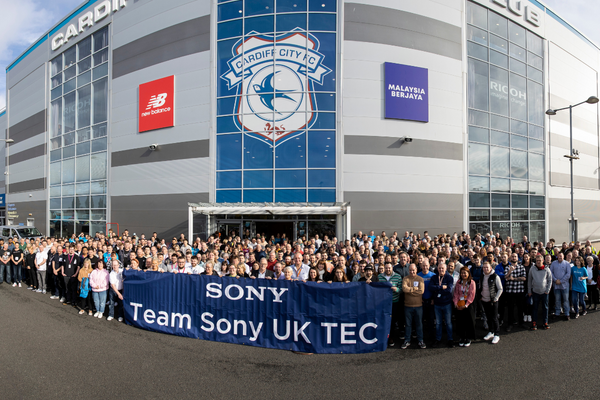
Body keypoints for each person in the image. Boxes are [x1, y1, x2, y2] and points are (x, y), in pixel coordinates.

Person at [429, 262, 454, 348]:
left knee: (448, 323)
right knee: (438, 323)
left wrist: (437, 291)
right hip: (437, 304)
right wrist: (441, 287)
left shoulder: (449, 278)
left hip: (447, 303)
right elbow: (430, 287)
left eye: (442, 268)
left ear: (445, 269)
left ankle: (450, 339)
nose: (441, 270)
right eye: (439, 268)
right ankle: (438, 339)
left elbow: (449, 290)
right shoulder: (434, 277)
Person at [401, 264, 425, 349]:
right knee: (408, 324)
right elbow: (404, 289)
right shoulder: (405, 278)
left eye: (413, 270)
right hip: (408, 306)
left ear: (416, 270)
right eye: (410, 270)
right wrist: (414, 289)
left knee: (419, 324)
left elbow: (421, 291)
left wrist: (409, 290)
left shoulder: (420, 279)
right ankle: (407, 340)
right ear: (408, 270)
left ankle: (420, 340)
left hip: (418, 306)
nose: (412, 272)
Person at [379, 262, 402, 347]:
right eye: (386, 268)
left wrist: (396, 289)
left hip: (394, 302)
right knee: (382, 321)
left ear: (392, 268)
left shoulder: (398, 277)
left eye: (389, 268)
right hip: (382, 303)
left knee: (392, 322)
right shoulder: (380, 277)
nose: (388, 269)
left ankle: (391, 337)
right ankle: (383, 337)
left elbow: (401, 290)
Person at [480, 261, 503, 344]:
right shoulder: (482, 276)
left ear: (490, 268)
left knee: (494, 317)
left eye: (487, 267)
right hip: (484, 300)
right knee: (488, 317)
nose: (486, 269)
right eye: (484, 267)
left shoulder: (495, 276)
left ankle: (497, 334)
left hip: (493, 301)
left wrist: (496, 298)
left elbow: (500, 289)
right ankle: (491, 331)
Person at [528, 254, 553, 330]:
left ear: (543, 261)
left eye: (540, 260)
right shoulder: (532, 269)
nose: (538, 262)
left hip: (544, 292)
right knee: (535, 308)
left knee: (545, 307)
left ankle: (545, 322)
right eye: (537, 261)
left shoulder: (546, 269)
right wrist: (529, 291)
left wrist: (547, 290)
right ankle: (534, 322)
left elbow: (550, 280)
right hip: (535, 292)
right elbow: (529, 280)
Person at [453, 267, 476, 347]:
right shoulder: (458, 282)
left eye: (465, 273)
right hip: (459, 303)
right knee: (460, 322)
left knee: (468, 322)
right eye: (462, 273)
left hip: (468, 304)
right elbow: (456, 293)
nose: (463, 274)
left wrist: (466, 305)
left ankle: (468, 337)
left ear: (468, 273)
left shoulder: (472, 282)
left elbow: (471, 295)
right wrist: (455, 303)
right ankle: (462, 337)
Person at [504, 252, 526, 331]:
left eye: (515, 256)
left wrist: (514, 279)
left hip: (520, 290)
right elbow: (506, 278)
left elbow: (524, 278)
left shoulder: (521, 267)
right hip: (510, 291)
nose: (514, 258)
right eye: (512, 256)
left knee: (520, 308)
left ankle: (521, 323)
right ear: (510, 258)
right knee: (510, 309)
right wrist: (510, 271)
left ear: (517, 258)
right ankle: (510, 324)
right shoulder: (507, 267)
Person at [550, 252, 571, 321]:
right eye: (559, 256)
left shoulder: (567, 264)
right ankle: (557, 313)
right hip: (556, 285)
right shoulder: (553, 263)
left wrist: (561, 281)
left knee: (565, 300)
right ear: (557, 256)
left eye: (561, 256)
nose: (560, 257)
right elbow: (551, 272)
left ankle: (567, 313)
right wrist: (555, 280)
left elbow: (568, 274)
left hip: (564, 285)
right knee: (557, 300)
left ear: (563, 256)